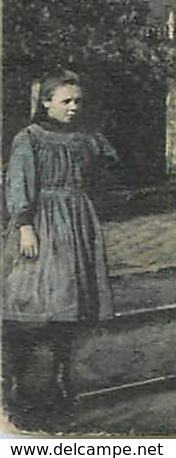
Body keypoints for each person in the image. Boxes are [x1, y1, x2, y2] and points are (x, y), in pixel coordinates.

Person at [3, 71, 117, 429]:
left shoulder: (84, 137)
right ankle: (16, 389)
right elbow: (19, 182)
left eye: (78, 101)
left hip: (77, 223)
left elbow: (107, 162)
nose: (73, 107)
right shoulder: (30, 138)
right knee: (30, 303)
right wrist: (24, 226)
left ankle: (61, 382)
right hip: (41, 225)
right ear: (46, 102)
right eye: (66, 101)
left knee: (72, 305)